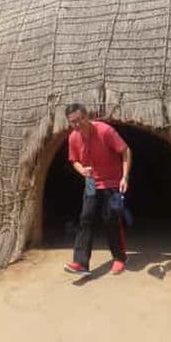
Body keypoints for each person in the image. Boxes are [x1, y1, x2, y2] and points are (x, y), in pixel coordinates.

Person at [63, 103, 132, 277]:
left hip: (113, 182)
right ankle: (80, 263)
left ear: (87, 116)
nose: (77, 124)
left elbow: (125, 151)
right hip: (92, 183)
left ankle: (119, 258)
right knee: (85, 218)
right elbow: (74, 161)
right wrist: (82, 171)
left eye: (80, 119)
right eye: (73, 122)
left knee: (111, 219)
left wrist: (125, 177)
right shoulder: (73, 138)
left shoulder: (105, 131)